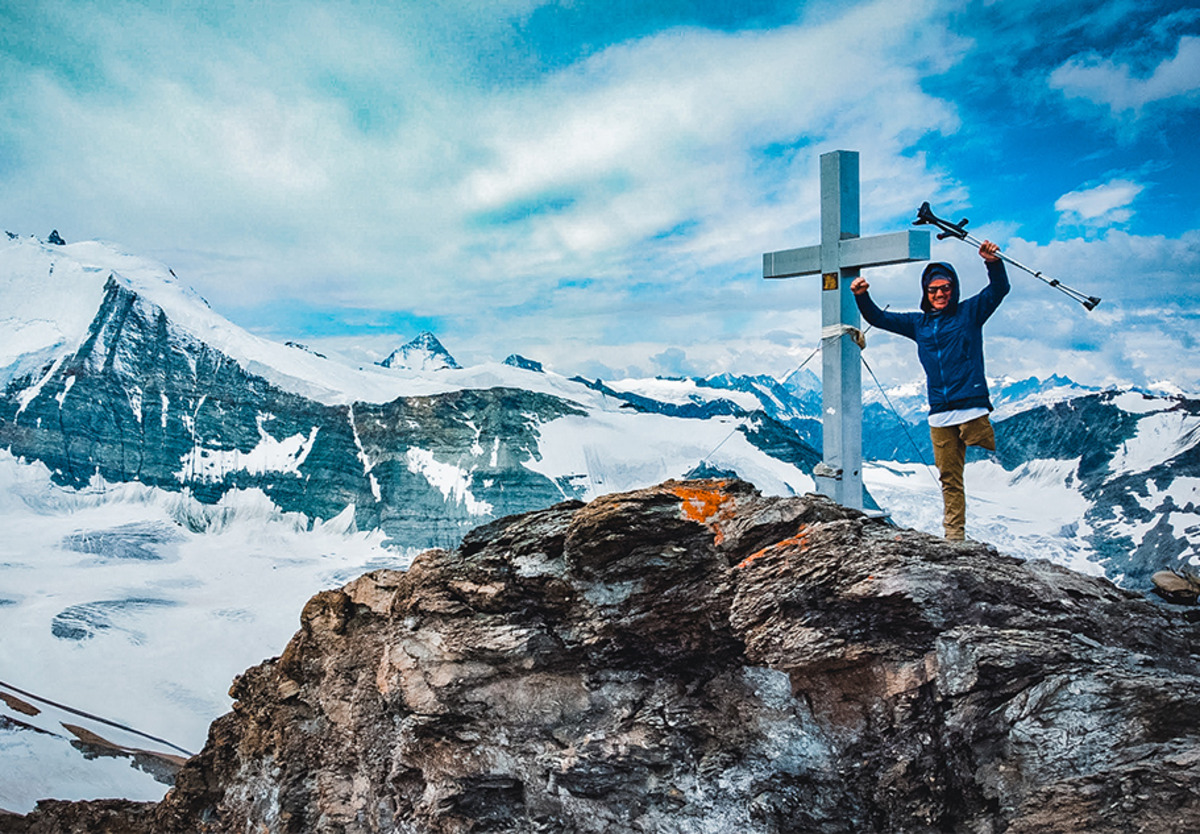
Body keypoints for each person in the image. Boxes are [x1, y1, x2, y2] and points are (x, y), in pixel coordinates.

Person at [850, 241, 1009, 541]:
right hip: (940, 413)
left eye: (945, 287)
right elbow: (878, 319)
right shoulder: (918, 323)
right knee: (949, 479)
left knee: (1000, 458)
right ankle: (954, 537)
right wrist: (862, 295)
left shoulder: (970, 313)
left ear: (954, 288)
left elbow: (998, 290)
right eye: (933, 289)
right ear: (925, 292)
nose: (939, 294)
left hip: (972, 406)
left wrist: (992, 263)